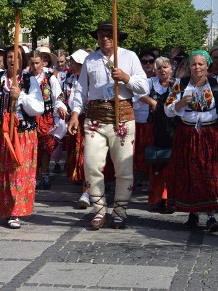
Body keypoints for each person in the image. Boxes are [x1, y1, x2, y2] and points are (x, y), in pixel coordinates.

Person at [68, 20, 148, 230]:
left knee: (123, 168)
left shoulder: (129, 56)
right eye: (101, 35)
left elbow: (144, 86)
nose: (104, 38)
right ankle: (99, 209)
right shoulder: (90, 60)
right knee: (91, 165)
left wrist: (126, 77)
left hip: (123, 117)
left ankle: (120, 211)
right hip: (95, 118)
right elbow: (80, 90)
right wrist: (75, 113)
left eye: (108, 34)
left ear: (116, 37)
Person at [164, 50, 218, 233]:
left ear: (207, 65)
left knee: (209, 174)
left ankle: (211, 215)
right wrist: (180, 104)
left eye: (200, 64)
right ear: (189, 66)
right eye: (193, 64)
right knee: (189, 174)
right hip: (187, 135)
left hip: (209, 135)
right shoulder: (181, 85)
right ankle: (192, 214)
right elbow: (167, 110)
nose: (197, 67)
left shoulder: (216, 84)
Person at [0, 46, 44, 229]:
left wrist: (21, 96)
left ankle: (15, 212)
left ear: (23, 60)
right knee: (4, 173)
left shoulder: (30, 81)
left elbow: (38, 108)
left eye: (17, 57)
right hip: (0, 133)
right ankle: (7, 208)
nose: (13, 60)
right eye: (10, 57)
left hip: (22, 134)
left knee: (18, 172)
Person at [139, 56, 175, 213]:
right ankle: (157, 199)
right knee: (156, 163)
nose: (162, 70)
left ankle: (169, 199)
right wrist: (152, 102)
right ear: (155, 70)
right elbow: (139, 95)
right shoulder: (150, 83)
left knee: (170, 164)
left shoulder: (176, 84)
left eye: (165, 67)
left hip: (171, 128)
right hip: (154, 127)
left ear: (171, 69)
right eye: (159, 67)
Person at [29, 50, 67, 189]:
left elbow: (58, 96)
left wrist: (61, 107)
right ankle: (36, 174)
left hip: (46, 116)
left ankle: (44, 173)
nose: (35, 66)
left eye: (37, 63)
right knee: (32, 146)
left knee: (46, 145)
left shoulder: (50, 77)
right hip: (30, 117)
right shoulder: (25, 77)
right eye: (32, 63)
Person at [63, 49, 92, 208]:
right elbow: (62, 97)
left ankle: (87, 190)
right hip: (76, 121)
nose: (70, 65)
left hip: (90, 120)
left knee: (89, 154)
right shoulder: (69, 79)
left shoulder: (90, 80)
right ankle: (85, 185)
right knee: (79, 153)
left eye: (73, 62)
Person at [133, 50, 158, 192]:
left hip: (153, 120)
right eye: (144, 61)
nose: (148, 64)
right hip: (138, 119)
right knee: (138, 150)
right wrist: (152, 101)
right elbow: (137, 95)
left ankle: (149, 178)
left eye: (150, 61)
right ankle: (139, 178)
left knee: (150, 149)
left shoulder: (157, 78)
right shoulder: (136, 77)